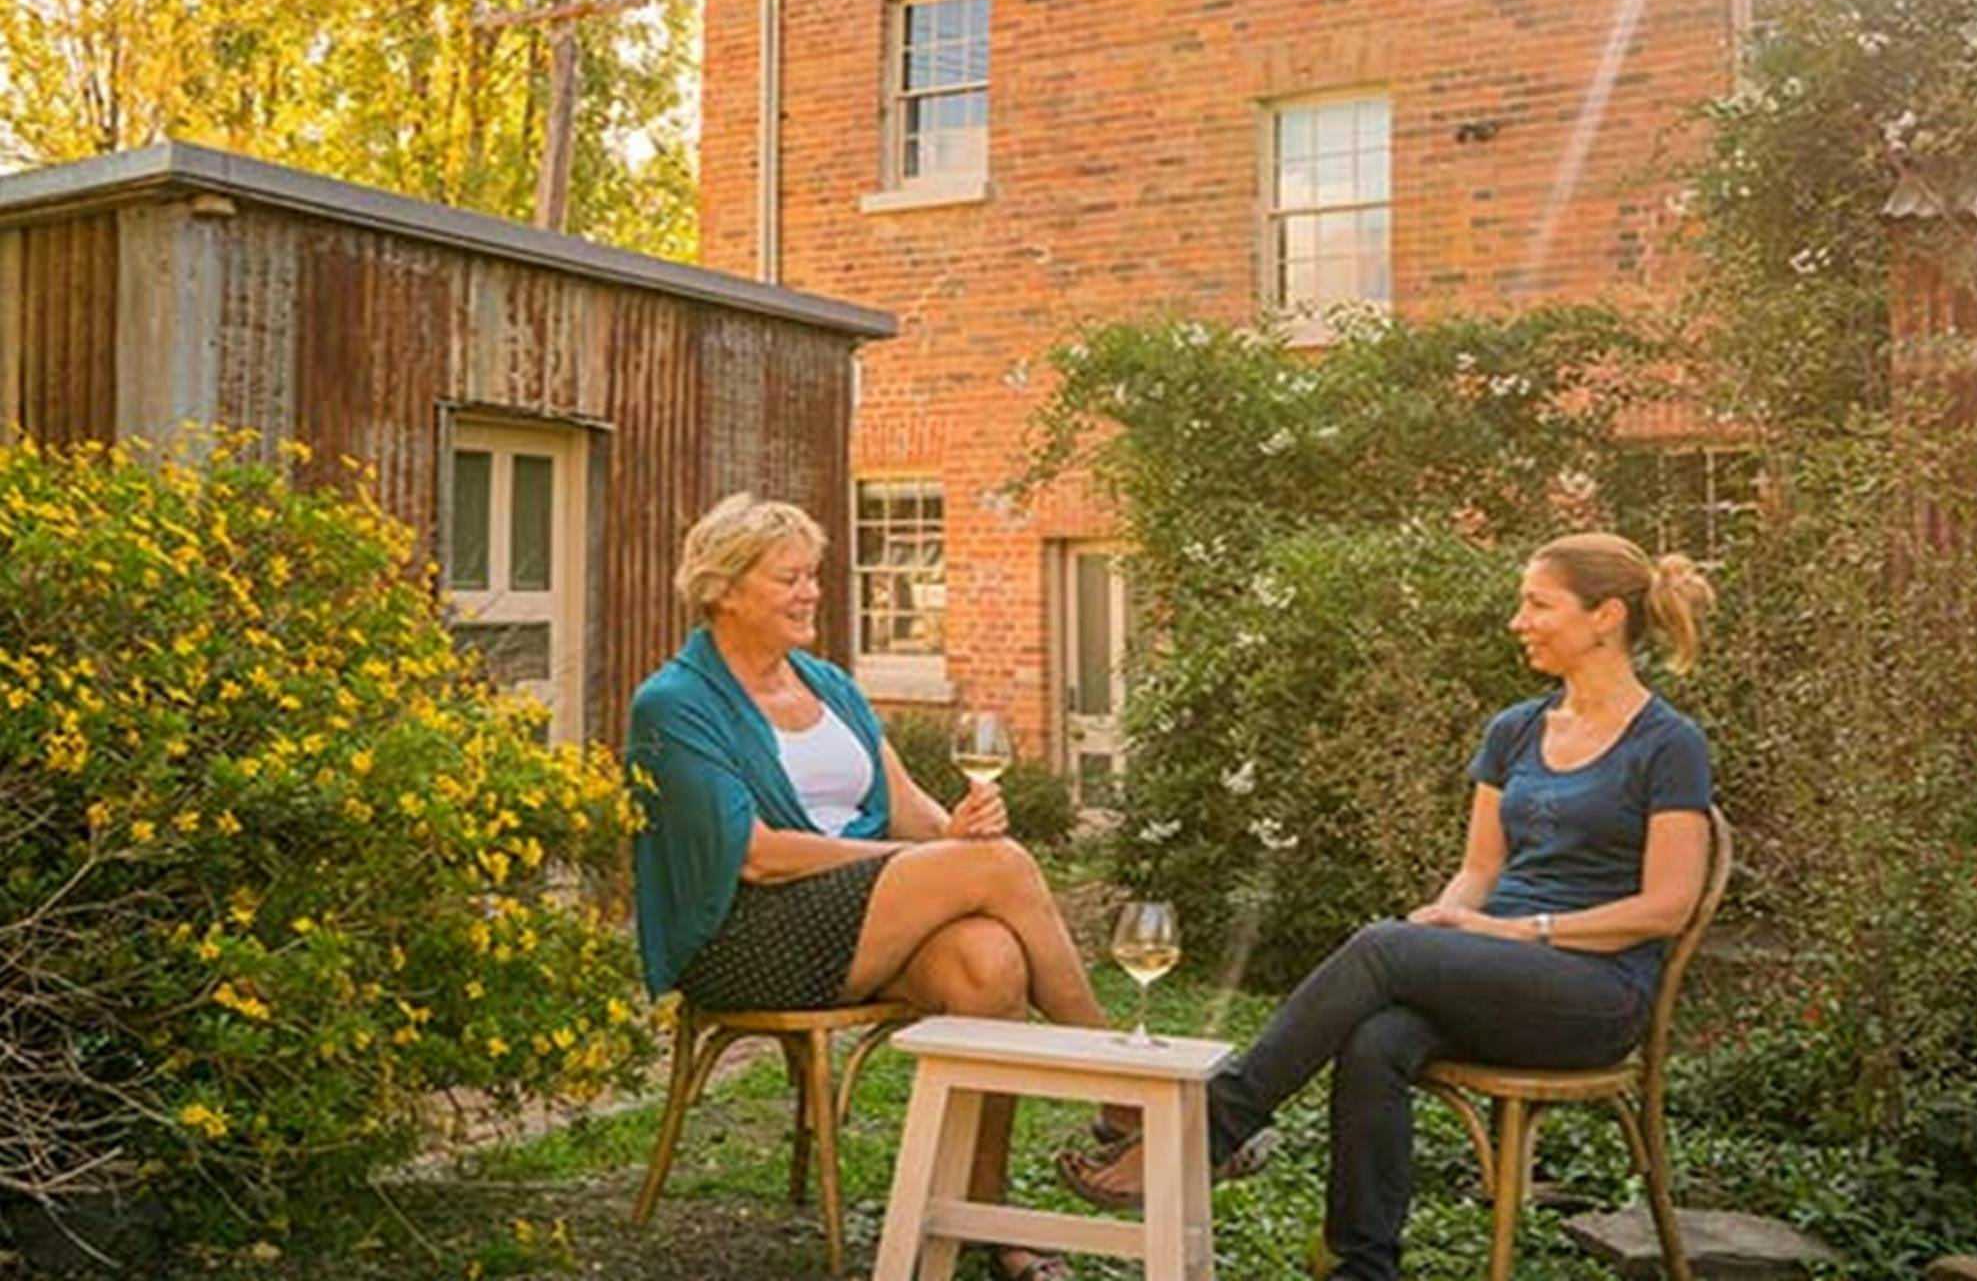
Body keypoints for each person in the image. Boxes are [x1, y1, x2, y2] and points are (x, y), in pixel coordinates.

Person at [1059, 532, 1716, 1281]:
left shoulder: (1669, 744)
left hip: (1595, 996)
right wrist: (1448, 922)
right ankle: (1363, 1267)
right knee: (1376, 1037)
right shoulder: (1516, 730)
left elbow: (1667, 907)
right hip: (1501, 967)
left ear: (1604, 616)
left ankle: (1208, 1131)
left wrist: (1509, 930)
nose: (1517, 620)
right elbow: (1478, 871)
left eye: (1538, 603)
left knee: (1383, 945)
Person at [630, 492, 1123, 1281]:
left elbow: (913, 816)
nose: (811, 592)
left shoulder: (829, 685)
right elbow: (753, 857)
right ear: (724, 589)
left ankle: (990, 1221)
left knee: (990, 962)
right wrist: (922, 863)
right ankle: (1123, 1101)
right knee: (1000, 867)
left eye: (813, 575)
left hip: (860, 921)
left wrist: (955, 830)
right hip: (751, 935)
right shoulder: (675, 704)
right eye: (788, 578)